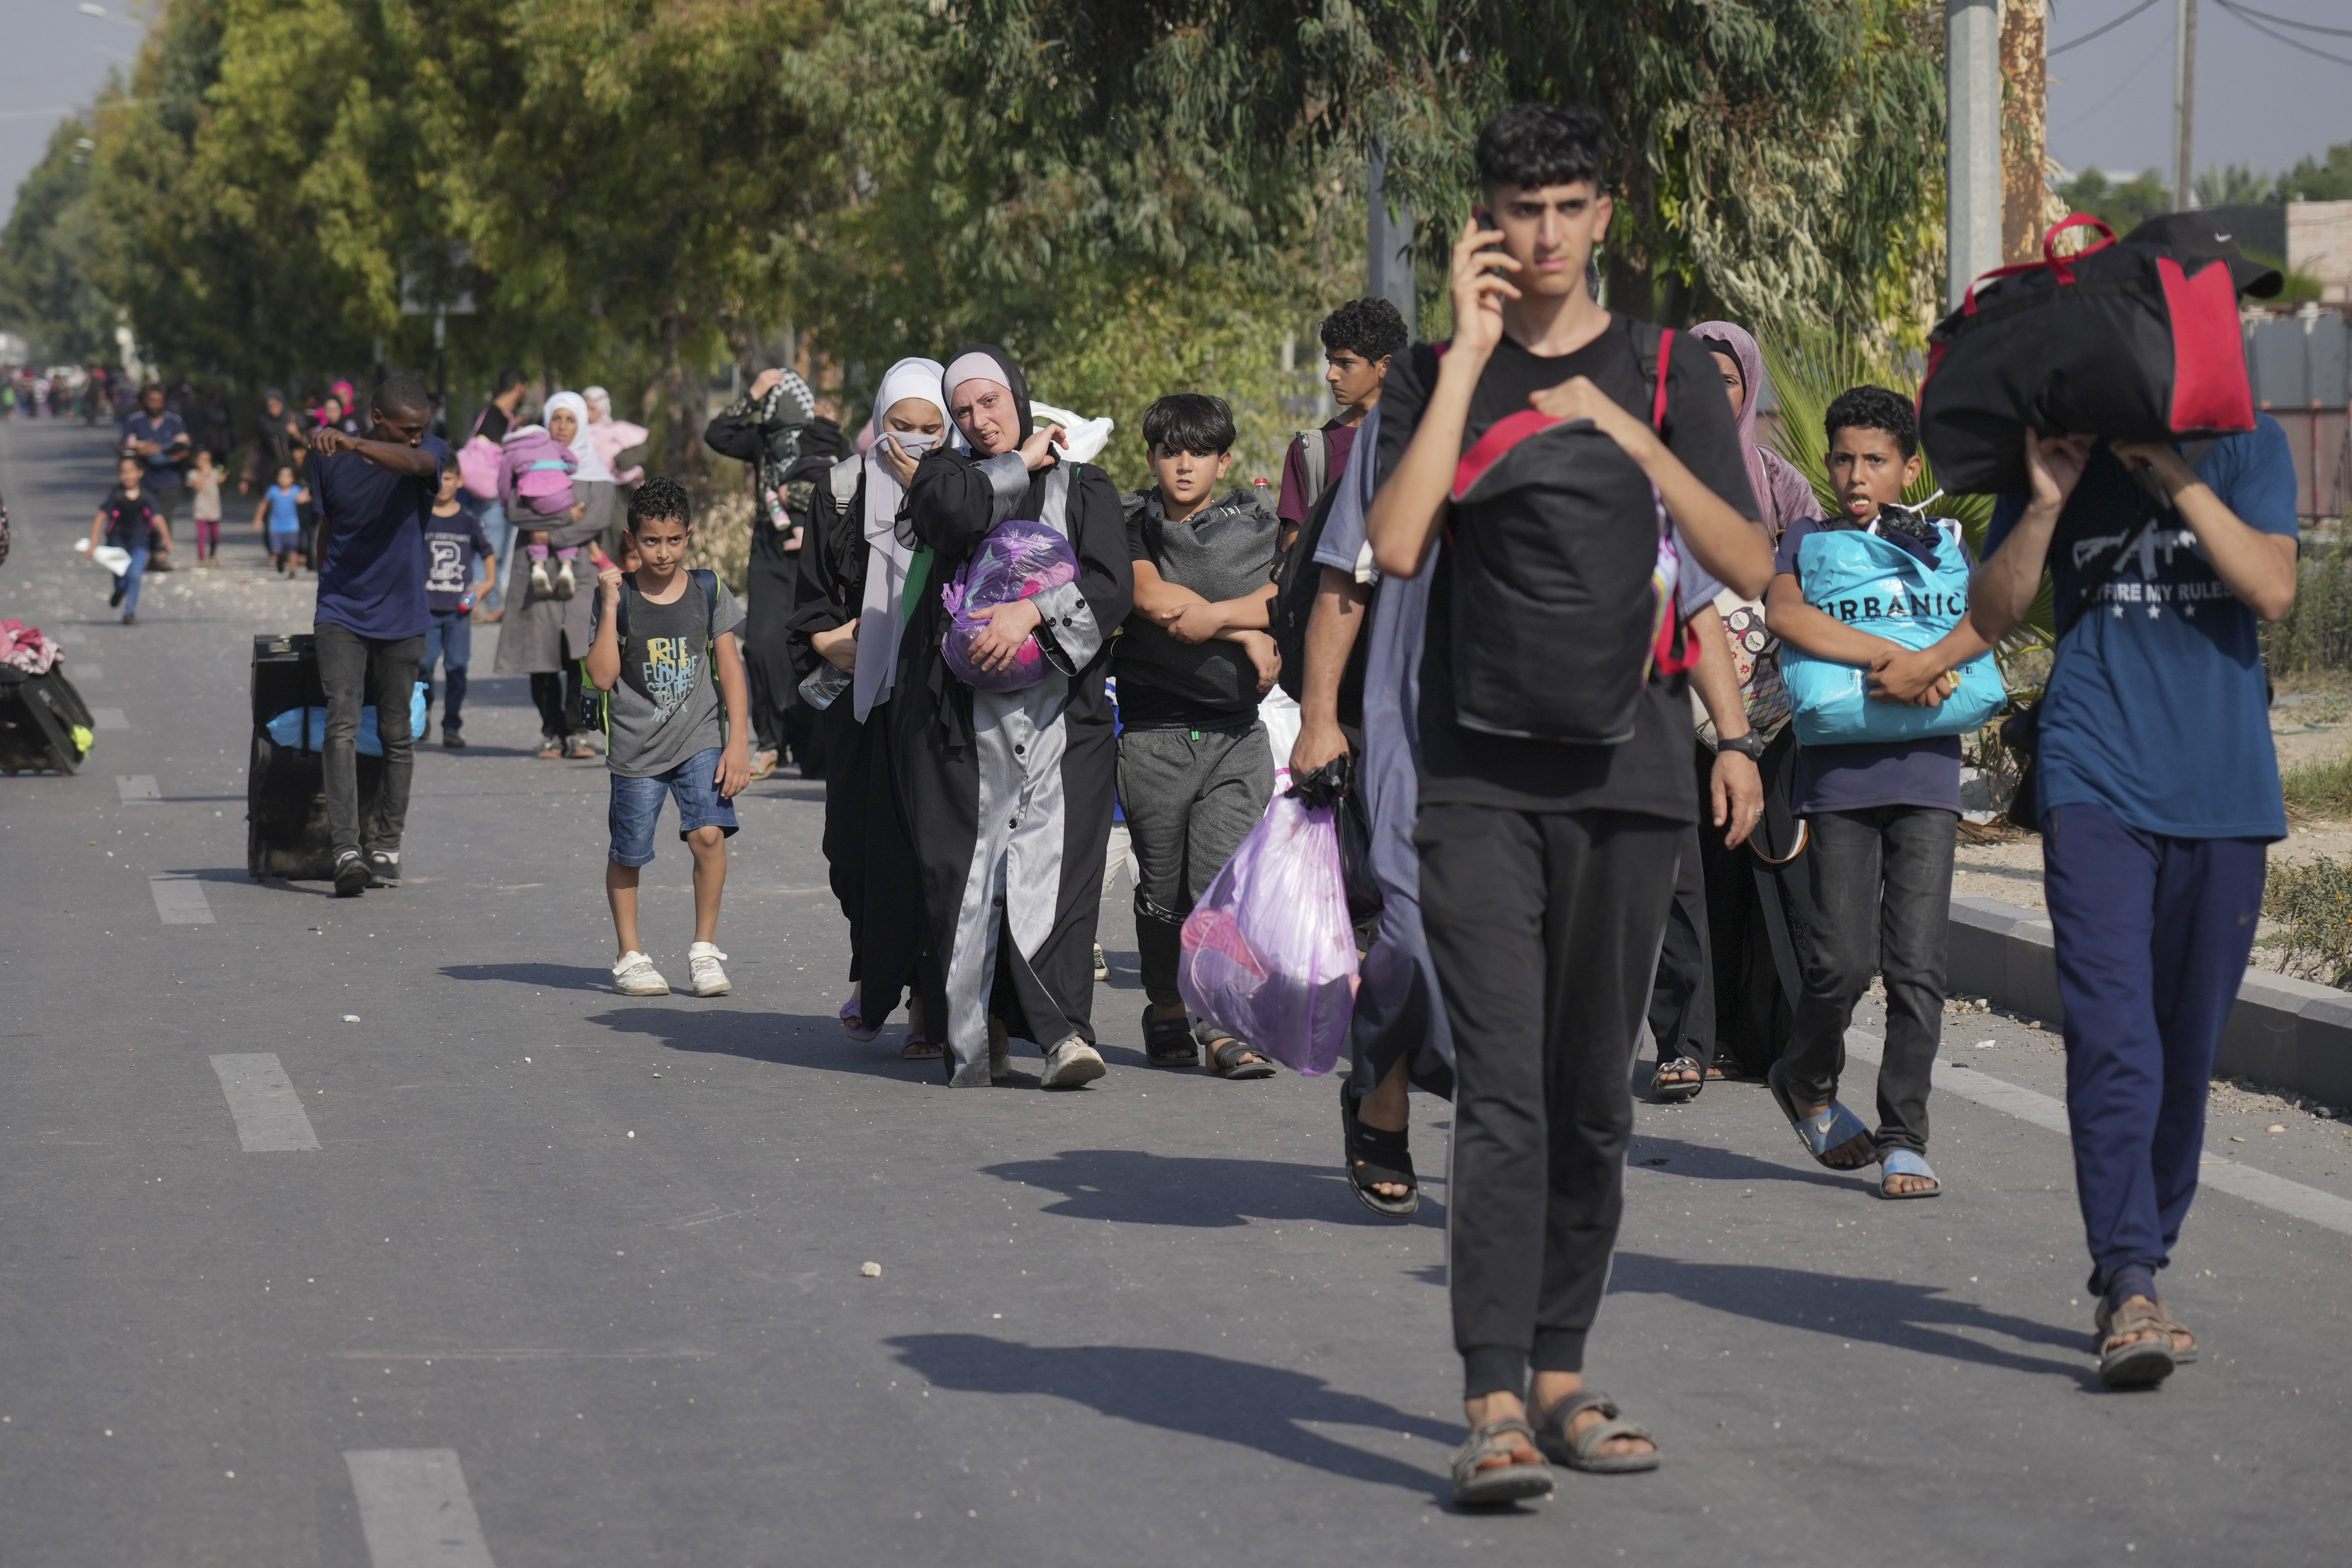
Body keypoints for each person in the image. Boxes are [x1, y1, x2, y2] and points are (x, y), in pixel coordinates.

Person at [1362, 102, 1773, 1504]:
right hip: (1476, 780)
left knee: (1593, 1094)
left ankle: (1557, 1368)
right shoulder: (1435, 374)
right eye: (1517, 209)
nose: (1542, 235)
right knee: (1504, 1095)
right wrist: (1471, 355)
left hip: (1631, 774)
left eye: (1566, 207)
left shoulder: (1668, 369)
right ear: (1486, 218)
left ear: (1602, 215)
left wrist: (1635, 438)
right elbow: (1400, 542)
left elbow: (1746, 559)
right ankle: (1489, 1395)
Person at [1951, 215, 2298, 1388]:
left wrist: (2173, 469)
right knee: (2115, 1039)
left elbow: (2271, 587)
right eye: (2226, 302)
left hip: (2223, 789)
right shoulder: (2059, 447)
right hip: (2097, 772)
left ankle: (2144, 1248)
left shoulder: (2246, 441)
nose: (2241, 322)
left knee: (2185, 1049)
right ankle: (2132, 1277)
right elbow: (1994, 612)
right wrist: (2046, 497)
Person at [1762, 385, 1990, 1200]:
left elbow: (1972, 626)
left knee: (1916, 967)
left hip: (1926, 775)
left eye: (1874, 460)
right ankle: (1804, 1074)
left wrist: (1928, 664)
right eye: (1842, 459)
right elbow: (1785, 616)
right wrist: (1888, 661)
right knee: (1840, 964)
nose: (1855, 475)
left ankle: (1903, 1135)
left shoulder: (1941, 546)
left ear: (1908, 467)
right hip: (1837, 781)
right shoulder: (1804, 542)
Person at [900, 345, 1134, 1088]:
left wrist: (1028, 613)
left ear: (1019, 399)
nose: (979, 420)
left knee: (1058, 871)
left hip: (1064, 716)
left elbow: (1110, 586)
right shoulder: (947, 478)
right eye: (964, 411)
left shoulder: (1085, 486)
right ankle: (980, 1029)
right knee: (965, 874)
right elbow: (947, 516)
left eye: (991, 403)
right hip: (960, 726)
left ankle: (1063, 1034)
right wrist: (1018, 467)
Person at [1647, 320, 1821, 1098]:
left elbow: (1814, 574)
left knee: (1763, 870)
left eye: (1723, 380)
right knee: (1683, 877)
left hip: (1767, 706)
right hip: (1662, 699)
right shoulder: (1649, 477)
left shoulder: (1780, 483)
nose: (1709, 397)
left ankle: (1761, 1037)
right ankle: (1687, 1039)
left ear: (1746, 388)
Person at [790, 357, 954, 1060]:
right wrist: (829, 640)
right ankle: (874, 971)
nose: (913, 442)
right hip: (860, 705)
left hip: (937, 706)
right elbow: (810, 598)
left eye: (929, 429)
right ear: (878, 419)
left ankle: (925, 1003)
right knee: (852, 856)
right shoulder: (840, 490)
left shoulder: (963, 491)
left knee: (927, 856)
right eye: (899, 426)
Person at [1117, 393, 1283, 1078]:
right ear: (1152, 457)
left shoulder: (1260, 521)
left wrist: (1224, 619)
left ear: (1224, 460)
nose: (1182, 466)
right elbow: (1150, 600)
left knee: (1221, 883)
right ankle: (1164, 1007)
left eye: (1198, 453)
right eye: (1168, 452)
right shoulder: (1130, 520)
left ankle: (1220, 1025)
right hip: (1154, 734)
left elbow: (1286, 593)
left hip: (1236, 736)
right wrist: (1242, 627)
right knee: (1163, 890)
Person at [586, 477, 752, 1000]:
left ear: (688, 536)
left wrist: (739, 741)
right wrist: (610, 607)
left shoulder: (708, 589)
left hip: (700, 736)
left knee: (708, 835)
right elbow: (603, 676)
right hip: (637, 748)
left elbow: (730, 668)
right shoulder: (622, 597)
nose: (663, 552)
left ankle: (704, 948)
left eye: (674, 540)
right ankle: (630, 954)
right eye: (651, 541)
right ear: (630, 538)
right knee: (630, 851)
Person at [307, 374, 445, 898]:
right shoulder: (328, 459)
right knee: (340, 723)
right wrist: (324, 598)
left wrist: (356, 441)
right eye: (406, 428)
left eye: (420, 429)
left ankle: (386, 843)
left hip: (404, 615)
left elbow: (418, 463)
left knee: (396, 733)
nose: (416, 437)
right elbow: (328, 527)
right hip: (342, 612)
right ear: (378, 415)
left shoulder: (427, 450)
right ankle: (346, 849)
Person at [704, 367, 836, 780]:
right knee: (761, 645)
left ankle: (807, 743)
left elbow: (844, 481)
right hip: (768, 551)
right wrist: (754, 393)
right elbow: (717, 434)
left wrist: (793, 495)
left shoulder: (823, 436)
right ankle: (770, 740)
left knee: (809, 648)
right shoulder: (761, 441)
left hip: (814, 552)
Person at [491, 391, 604, 759]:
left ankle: (577, 731)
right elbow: (511, 507)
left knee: (579, 652)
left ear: (581, 424)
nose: (562, 427)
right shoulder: (527, 457)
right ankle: (551, 730)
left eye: (570, 420)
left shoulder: (594, 468)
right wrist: (553, 525)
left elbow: (597, 518)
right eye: (556, 419)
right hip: (535, 569)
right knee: (539, 654)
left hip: (579, 570)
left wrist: (551, 533)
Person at [1277, 298, 1406, 547]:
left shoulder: (1424, 439)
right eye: (1330, 362)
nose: (1330, 375)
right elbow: (1292, 552)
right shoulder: (1310, 451)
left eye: (1346, 363)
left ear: (1385, 366)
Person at [421, 463, 496, 749]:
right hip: (426, 607)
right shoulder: (422, 516)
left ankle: (451, 725)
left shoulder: (468, 520)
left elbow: (488, 552)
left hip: (458, 610)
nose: (444, 483)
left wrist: (487, 585)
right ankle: (423, 713)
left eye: (450, 478)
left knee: (456, 667)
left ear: (460, 481)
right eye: (439, 478)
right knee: (424, 665)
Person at [468, 368, 534, 616]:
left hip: (495, 494)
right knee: (488, 552)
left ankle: (493, 605)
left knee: (493, 551)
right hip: (490, 495)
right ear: (520, 388)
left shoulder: (499, 415)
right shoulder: (495, 416)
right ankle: (474, 604)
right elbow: (496, 450)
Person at [88, 455, 170, 624]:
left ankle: (130, 613)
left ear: (140, 473)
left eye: (132, 471)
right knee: (121, 576)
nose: (128, 476)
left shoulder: (147, 495)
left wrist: (167, 539)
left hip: (140, 541)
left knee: (135, 575)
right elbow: (101, 516)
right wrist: (94, 542)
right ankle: (119, 591)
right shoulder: (116, 495)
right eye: (124, 472)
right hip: (117, 542)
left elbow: (158, 517)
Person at [120, 383, 190, 566]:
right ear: (144, 401)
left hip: (170, 478)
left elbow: (186, 446)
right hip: (144, 479)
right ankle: (147, 552)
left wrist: (179, 453)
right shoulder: (135, 422)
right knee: (145, 517)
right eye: (152, 401)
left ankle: (161, 552)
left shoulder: (174, 422)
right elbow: (126, 448)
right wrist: (142, 450)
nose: (155, 405)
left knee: (165, 515)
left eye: (159, 401)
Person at [254, 463, 308, 574]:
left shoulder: (296, 490)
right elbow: (264, 504)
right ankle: (280, 560)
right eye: (282, 476)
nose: (284, 479)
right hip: (276, 526)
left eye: (288, 476)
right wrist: (258, 520)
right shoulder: (273, 491)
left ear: (293, 479)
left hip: (292, 526)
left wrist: (306, 497)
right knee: (277, 550)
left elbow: (305, 498)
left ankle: (293, 571)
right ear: (277, 478)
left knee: (293, 549)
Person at [188, 449, 224, 567]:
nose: (205, 462)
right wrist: (204, 473)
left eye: (207, 460)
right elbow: (197, 486)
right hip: (201, 509)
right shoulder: (193, 474)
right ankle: (201, 559)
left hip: (214, 508)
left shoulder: (215, 472)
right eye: (202, 460)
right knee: (201, 536)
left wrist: (222, 480)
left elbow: (220, 486)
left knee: (215, 536)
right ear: (196, 461)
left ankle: (213, 556)